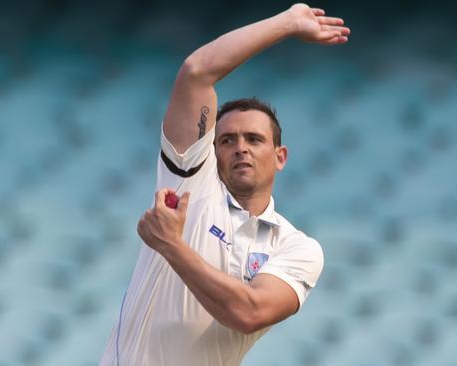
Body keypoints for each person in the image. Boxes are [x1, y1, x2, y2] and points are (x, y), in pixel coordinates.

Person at [99, 3, 350, 366]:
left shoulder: (297, 248)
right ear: (211, 151)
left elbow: (248, 313)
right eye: (228, 140)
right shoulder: (190, 187)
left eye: (254, 139)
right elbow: (197, 72)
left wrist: (171, 245)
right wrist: (288, 22)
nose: (241, 148)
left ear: (280, 156)